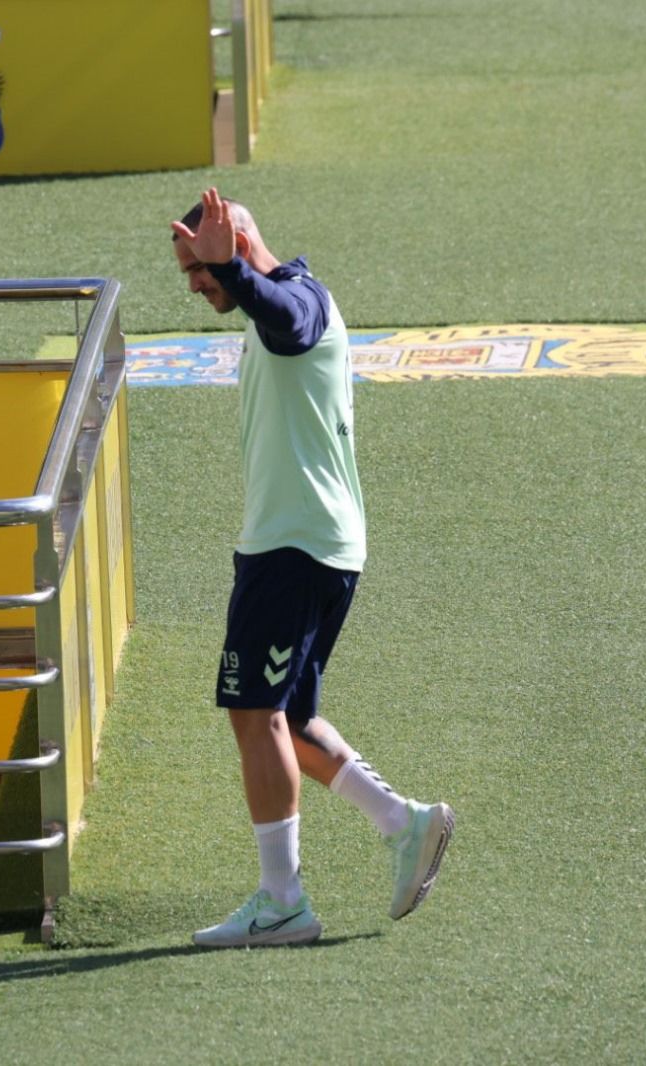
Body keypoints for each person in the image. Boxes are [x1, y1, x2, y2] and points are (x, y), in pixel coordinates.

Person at [171, 188, 453, 947]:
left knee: (253, 712)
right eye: (190, 272)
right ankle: (404, 823)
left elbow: (284, 319)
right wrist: (229, 271)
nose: (194, 285)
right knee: (287, 720)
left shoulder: (297, 302)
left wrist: (233, 270)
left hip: (294, 548)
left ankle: (283, 902)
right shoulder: (283, 303)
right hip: (304, 545)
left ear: (236, 246)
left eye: (200, 268)